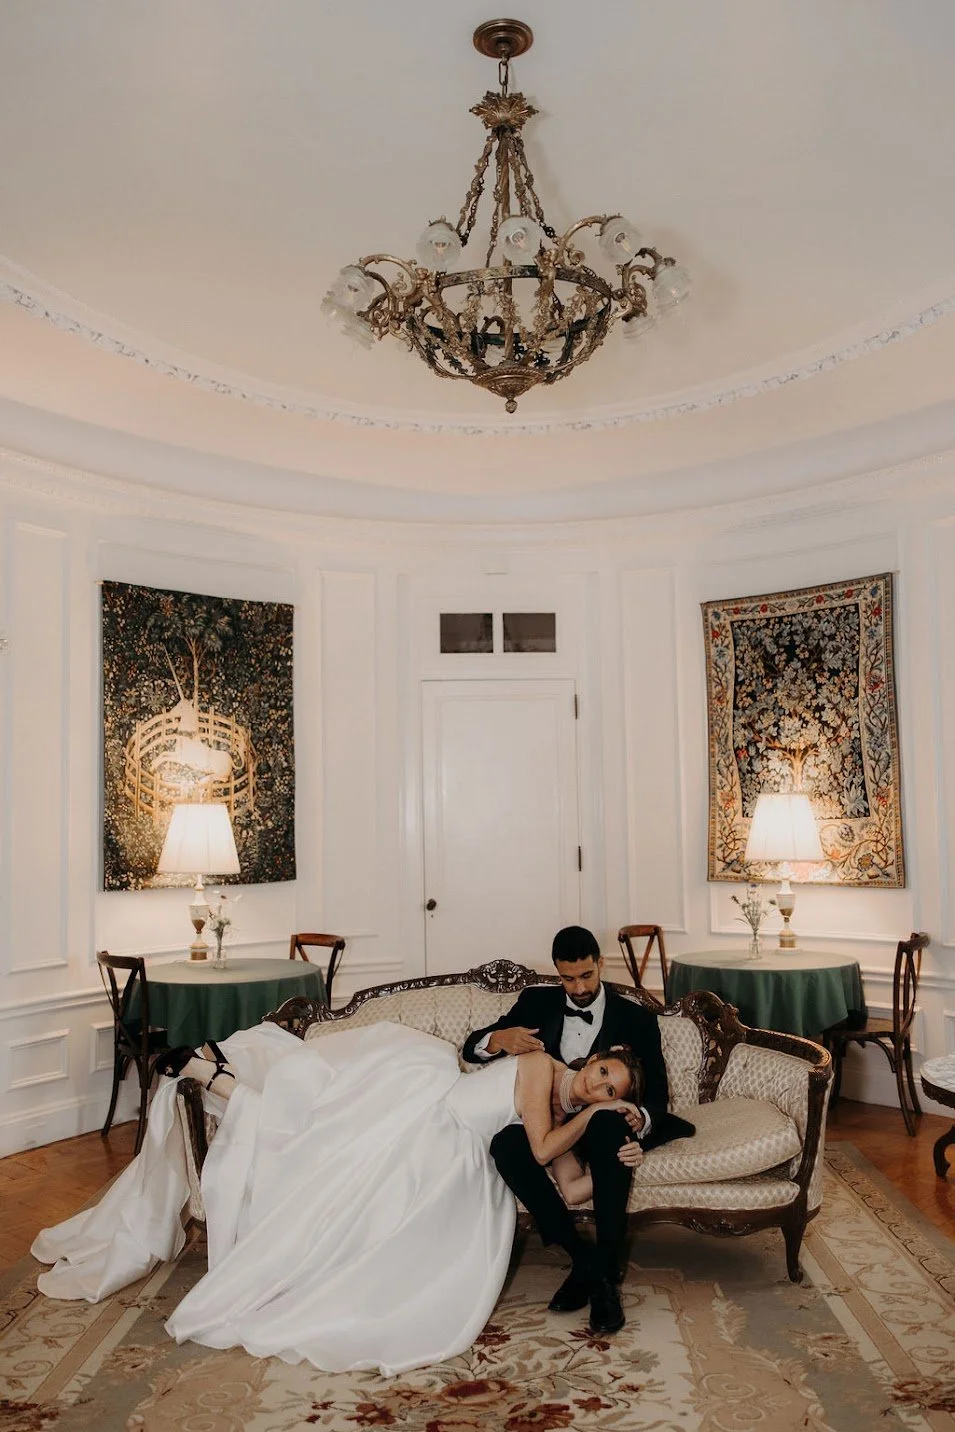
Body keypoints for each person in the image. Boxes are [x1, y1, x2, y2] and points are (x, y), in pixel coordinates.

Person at [31, 1019, 644, 1376]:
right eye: (603, 1074)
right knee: (315, 1123)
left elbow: (568, 1186)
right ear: (590, 1061)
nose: (599, 1086)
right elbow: (539, 1150)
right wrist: (595, 1122)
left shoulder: (571, 1113)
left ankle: (213, 1078)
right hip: (431, 1111)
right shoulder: (542, 1069)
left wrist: (626, 1160)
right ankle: (209, 1073)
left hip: (457, 1140)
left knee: (315, 1143)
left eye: (609, 1090)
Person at [463, 925, 695, 1336]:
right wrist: (499, 1038)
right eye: (568, 978)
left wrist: (641, 1123)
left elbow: (656, 1096)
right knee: (505, 1145)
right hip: (544, 1123)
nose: (579, 987)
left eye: (586, 975)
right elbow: (472, 1047)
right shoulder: (536, 1002)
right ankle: (581, 1258)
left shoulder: (635, 1018)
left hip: (597, 1125)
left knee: (608, 1122)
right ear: (557, 972)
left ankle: (605, 1276)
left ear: (599, 964)